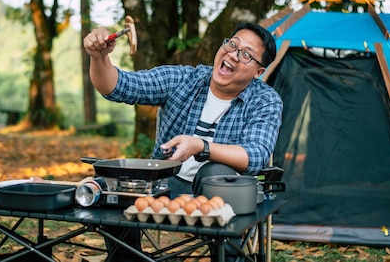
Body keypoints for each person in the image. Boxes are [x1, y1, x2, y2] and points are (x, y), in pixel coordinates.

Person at [83, 22, 282, 262]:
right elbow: (118, 86)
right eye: (232, 44)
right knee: (112, 185)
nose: (233, 55)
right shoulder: (185, 79)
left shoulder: (265, 100)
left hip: (224, 197)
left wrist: (201, 146)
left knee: (216, 172)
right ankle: (127, 258)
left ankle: (229, 259)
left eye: (246, 54)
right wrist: (99, 57)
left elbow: (256, 155)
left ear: (258, 72)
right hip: (167, 185)